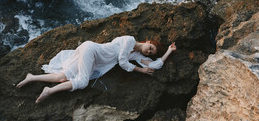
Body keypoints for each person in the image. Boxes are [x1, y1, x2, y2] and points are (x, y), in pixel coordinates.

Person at [16, 35, 176, 103]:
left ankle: (32, 77)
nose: (148, 51)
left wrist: (168, 51)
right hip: (91, 50)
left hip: (93, 58)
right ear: (147, 41)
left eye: (150, 52)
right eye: (150, 47)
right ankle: (48, 91)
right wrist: (140, 70)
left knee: (63, 76)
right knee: (83, 81)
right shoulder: (129, 40)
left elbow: (155, 65)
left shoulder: (134, 55)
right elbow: (121, 61)